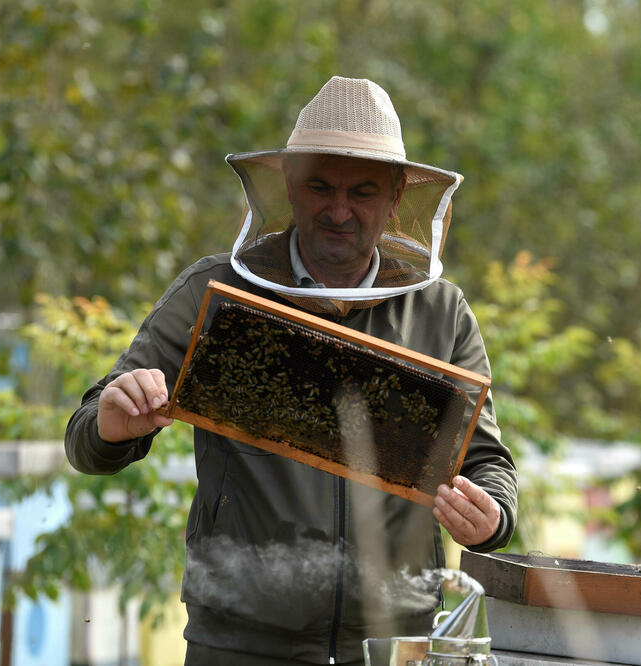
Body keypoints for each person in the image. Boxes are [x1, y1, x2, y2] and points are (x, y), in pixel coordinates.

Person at [65, 76, 517, 665]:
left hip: (392, 645)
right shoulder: (216, 291)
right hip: (238, 643)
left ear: (397, 194)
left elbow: (487, 464)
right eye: (320, 187)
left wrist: (489, 514)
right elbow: (86, 437)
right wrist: (114, 422)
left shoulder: (441, 312)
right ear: (289, 183)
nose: (338, 210)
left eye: (362, 192)